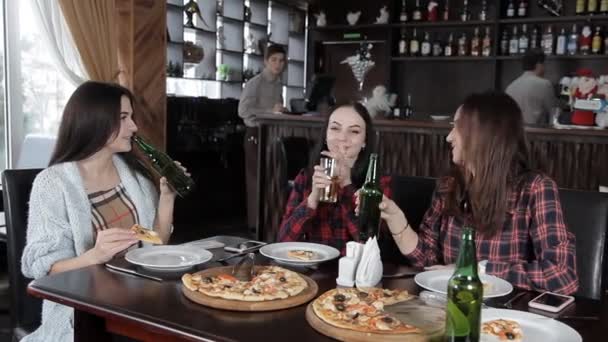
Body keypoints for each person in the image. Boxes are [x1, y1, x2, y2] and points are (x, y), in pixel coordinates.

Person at [21, 81, 186, 341]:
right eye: (123, 118)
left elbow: (156, 242)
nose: (134, 126)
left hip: (139, 302)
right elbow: (46, 268)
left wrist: (167, 198)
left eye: (132, 117)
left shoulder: (135, 178)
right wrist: (95, 255)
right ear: (95, 121)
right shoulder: (53, 184)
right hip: (86, 313)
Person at [374, 92, 578, 294]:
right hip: (448, 306)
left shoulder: (536, 188)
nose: (448, 137)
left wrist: (477, 270)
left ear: (485, 134)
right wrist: (396, 219)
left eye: (457, 127)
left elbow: (562, 276)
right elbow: (426, 260)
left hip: (507, 317)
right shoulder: (449, 185)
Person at [278, 103, 391, 254]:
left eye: (354, 131)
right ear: (325, 135)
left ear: (365, 141)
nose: (342, 138)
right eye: (335, 128)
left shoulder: (379, 183)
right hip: (312, 271)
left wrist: (346, 184)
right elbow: (282, 243)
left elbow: (372, 248)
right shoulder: (306, 177)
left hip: (355, 274)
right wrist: (312, 200)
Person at [238, 44, 286, 232]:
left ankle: (269, 222)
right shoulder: (255, 83)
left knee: (272, 180)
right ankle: (254, 225)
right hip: (255, 136)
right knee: (256, 181)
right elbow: (242, 110)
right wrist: (269, 111)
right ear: (265, 61)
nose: (278, 64)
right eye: (274, 60)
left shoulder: (278, 83)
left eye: (281, 61)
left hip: (272, 136)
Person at [505, 48, 557, 125]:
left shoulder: (510, 87)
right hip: (536, 133)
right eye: (544, 64)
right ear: (538, 65)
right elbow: (553, 112)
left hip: (514, 133)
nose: (545, 68)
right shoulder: (545, 84)